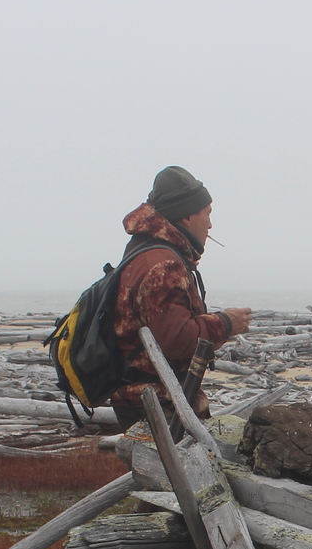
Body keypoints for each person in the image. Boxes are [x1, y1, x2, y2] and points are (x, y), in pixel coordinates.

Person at [106, 165, 251, 426]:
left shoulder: (146, 251)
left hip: (149, 398)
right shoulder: (163, 264)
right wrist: (226, 323)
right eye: (207, 213)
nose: (210, 223)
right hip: (156, 403)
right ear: (186, 217)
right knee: (171, 467)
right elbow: (174, 340)